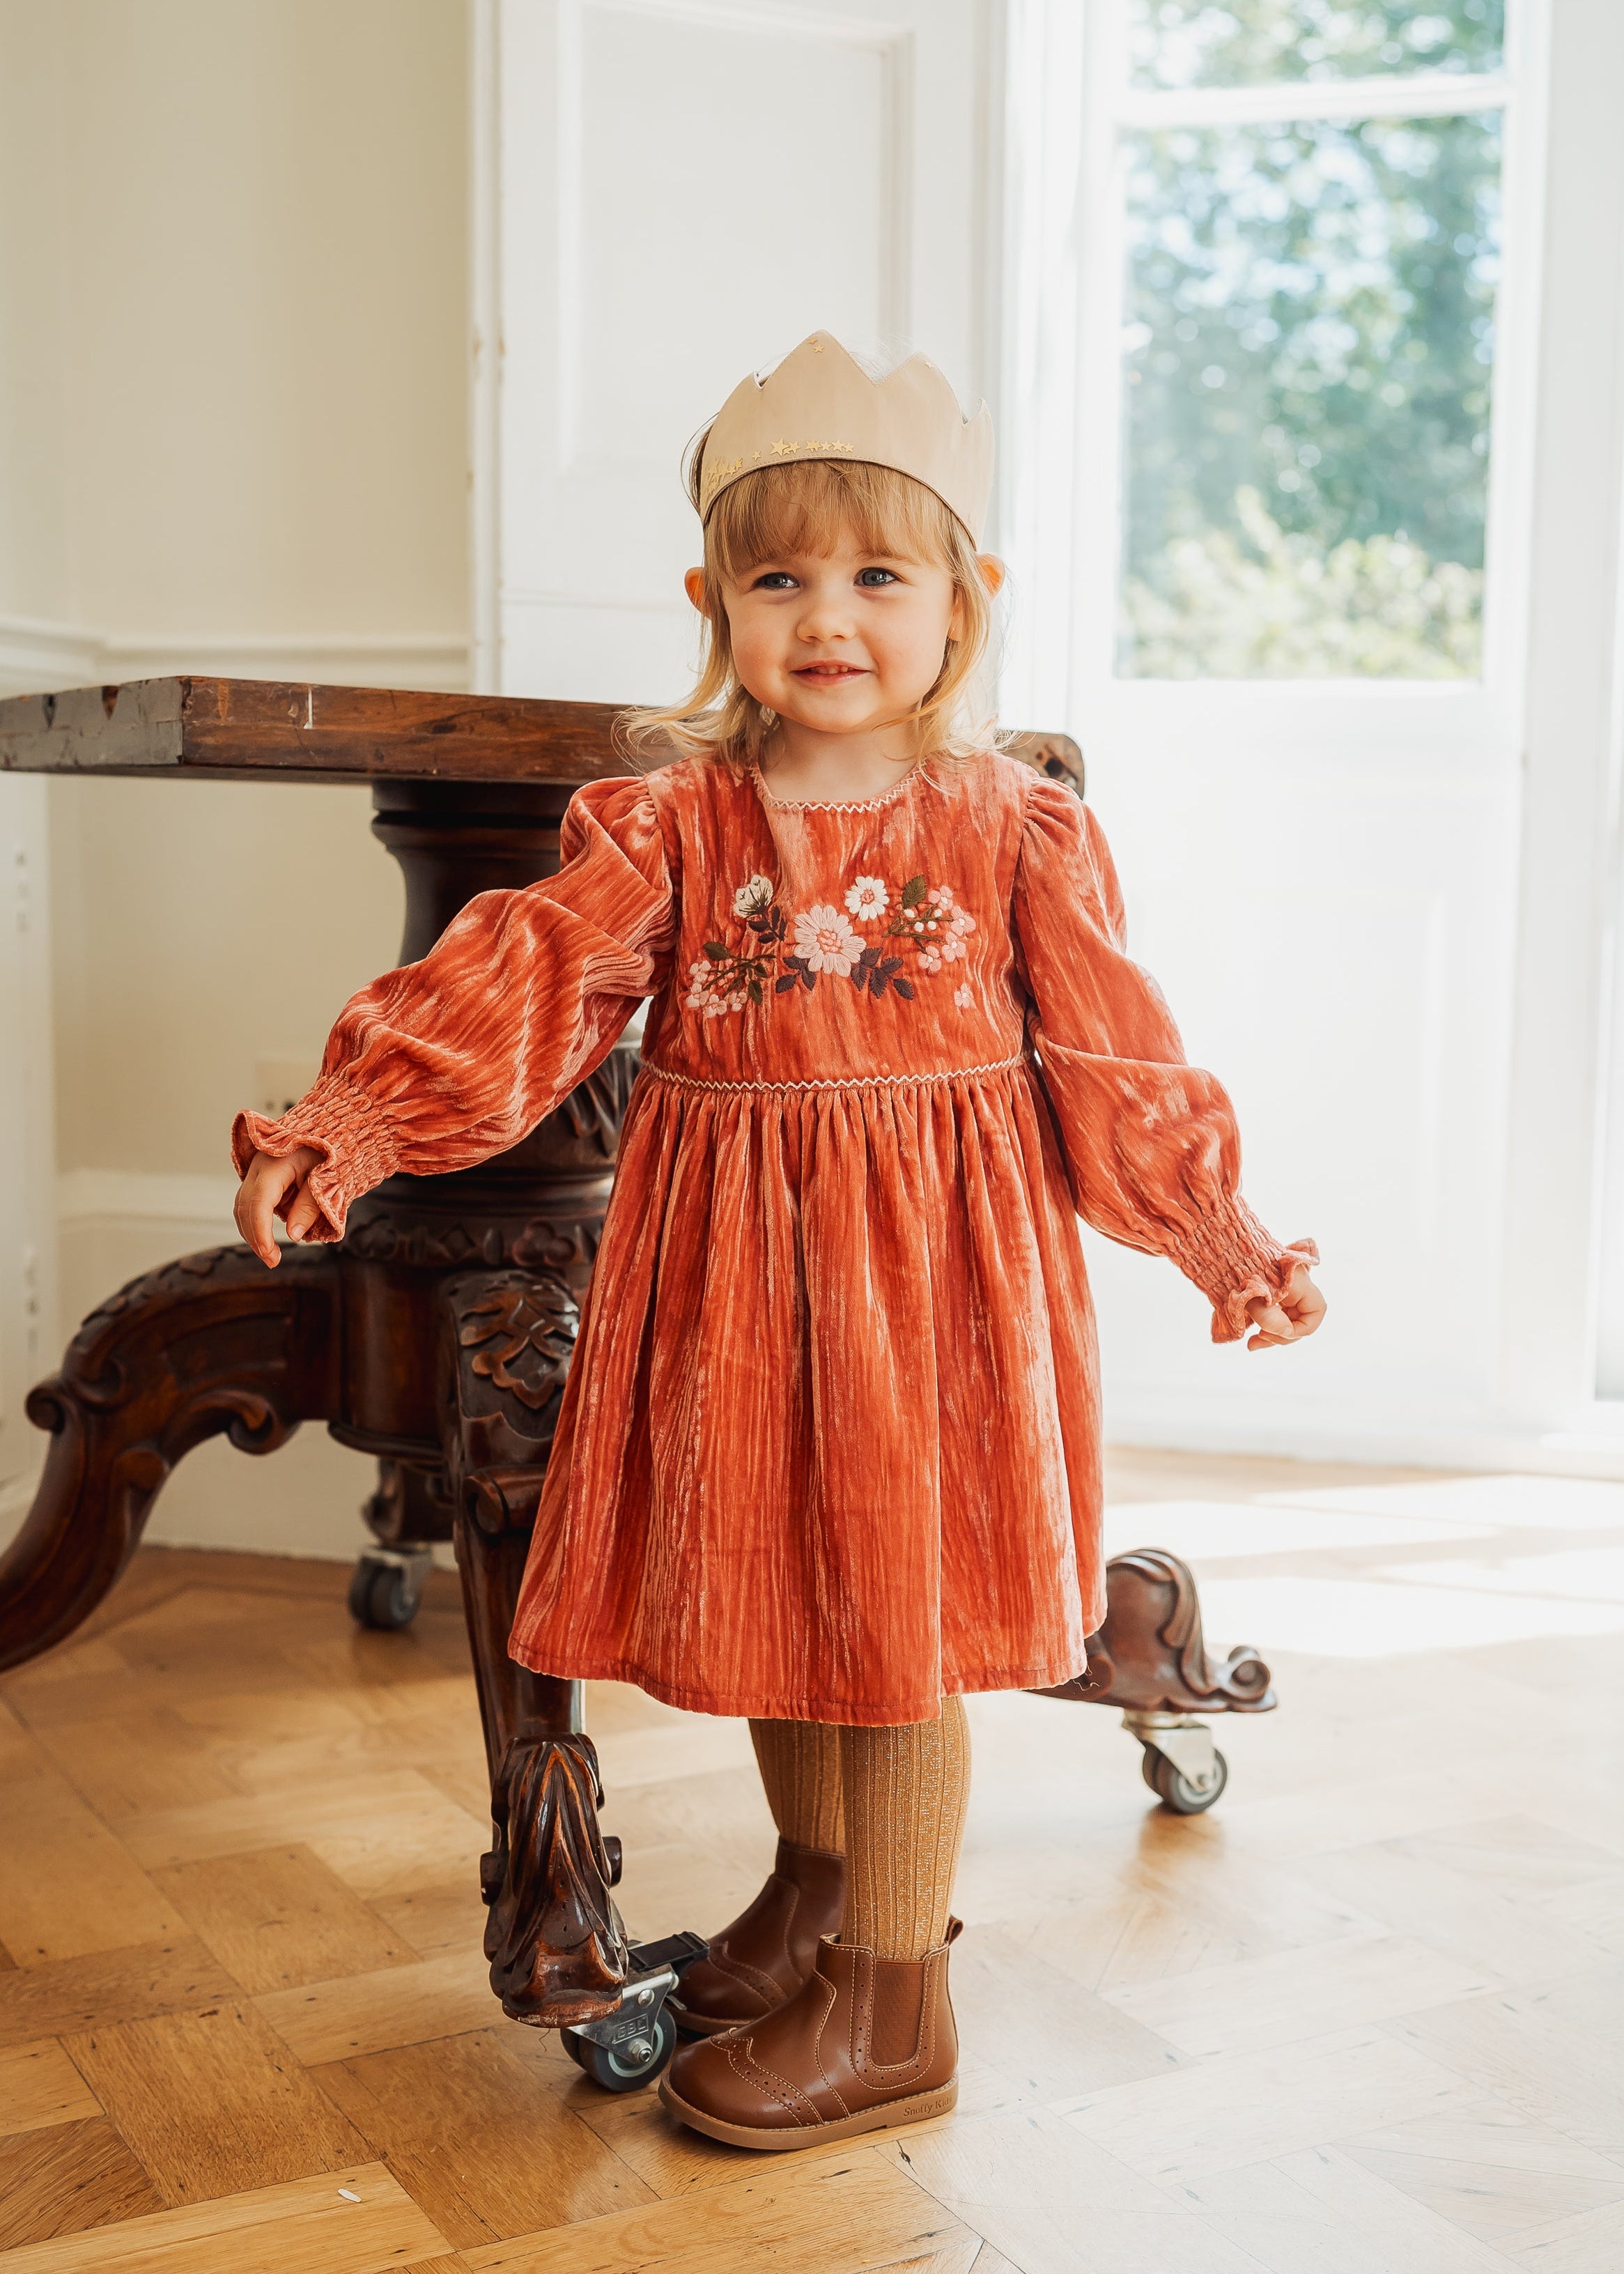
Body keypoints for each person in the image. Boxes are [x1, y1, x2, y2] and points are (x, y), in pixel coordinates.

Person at [231, 332, 1324, 2151]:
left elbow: (1116, 1056)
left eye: (879, 576)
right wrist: (353, 1124)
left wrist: (1218, 1235)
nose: (828, 617)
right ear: (711, 603)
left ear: (966, 603)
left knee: (888, 1630)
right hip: (733, 1287)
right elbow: (527, 979)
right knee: (775, 1594)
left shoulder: (1010, 829)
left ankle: (896, 2000)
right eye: (778, 579)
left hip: (931, 1298)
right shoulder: (670, 821)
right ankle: (818, 1897)